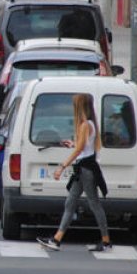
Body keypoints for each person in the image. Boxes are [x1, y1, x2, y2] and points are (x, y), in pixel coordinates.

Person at [37, 94, 112, 252]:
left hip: (86, 170)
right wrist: (73, 143)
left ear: (80, 107)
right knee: (70, 203)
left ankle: (105, 240)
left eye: (75, 106)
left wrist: (62, 166)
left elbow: (80, 150)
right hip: (84, 169)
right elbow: (84, 147)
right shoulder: (90, 124)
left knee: (94, 204)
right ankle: (57, 239)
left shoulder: (85, 125)